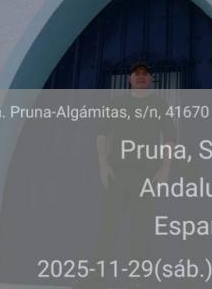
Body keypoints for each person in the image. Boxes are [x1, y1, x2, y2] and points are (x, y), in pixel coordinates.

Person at [90, 62, 176, 288]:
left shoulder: (159, 104)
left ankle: (139, 281)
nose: (140, 76)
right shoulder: (118, 103)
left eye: (145, 74)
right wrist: (102, 164)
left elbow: (170, 137)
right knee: (109, 226)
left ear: (151, 80)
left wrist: (165, 169)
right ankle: (97, 279)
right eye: (136, 73)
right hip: (117, 173)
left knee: (141, 228)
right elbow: (102, 133)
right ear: (129, 79)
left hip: (146, 175)